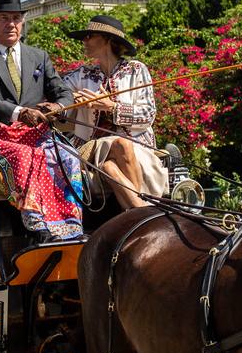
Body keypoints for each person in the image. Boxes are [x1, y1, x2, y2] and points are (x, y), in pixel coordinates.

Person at [0, 0, 83, 242]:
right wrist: (19, 113)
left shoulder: (38, 56)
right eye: (4, 18)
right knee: (25, 155)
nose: (11, 24)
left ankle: (70, 225)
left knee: (68, 155)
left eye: (16, 18)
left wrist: (58, 107)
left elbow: (62, 91)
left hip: (35, 133)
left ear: (23, 21)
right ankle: (36, 223)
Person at [64, 15, 168, 210]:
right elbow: (57, 93)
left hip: (139, 149)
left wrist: (111, 107)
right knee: (121, 144)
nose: (84, 41)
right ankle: (144, 212)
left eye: (89, 35)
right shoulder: (82, 74)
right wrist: (73, 98)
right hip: (91, 149)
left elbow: (147, 115)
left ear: (107, 40)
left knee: (110, 167)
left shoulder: (136, 70)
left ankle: (135, 211)